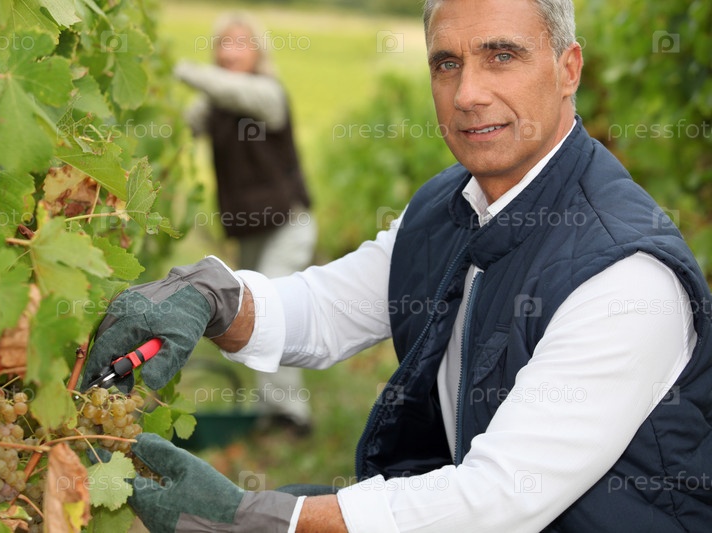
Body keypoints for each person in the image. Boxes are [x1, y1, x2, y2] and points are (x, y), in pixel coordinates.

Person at [81, 0, 712, 531]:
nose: (468, 94)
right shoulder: (449, 205)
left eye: (501, 56)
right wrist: (212, 296)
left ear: (568, 68)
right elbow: (328, 309)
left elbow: (497, 498)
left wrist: (267, 519)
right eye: (447, 63)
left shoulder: (626, 276)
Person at [173, 12, 316, 434]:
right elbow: (177, 126)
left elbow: (233, 91)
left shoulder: (268, 93)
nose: (230, 52)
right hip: (249, 227)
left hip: (288, 222)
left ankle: (291, 414)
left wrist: (180, 70)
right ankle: (268, 408)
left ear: (258, 52)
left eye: (240, 43)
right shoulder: (212, 105)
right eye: (223, 43)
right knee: (255, 312)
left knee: (269, 304)